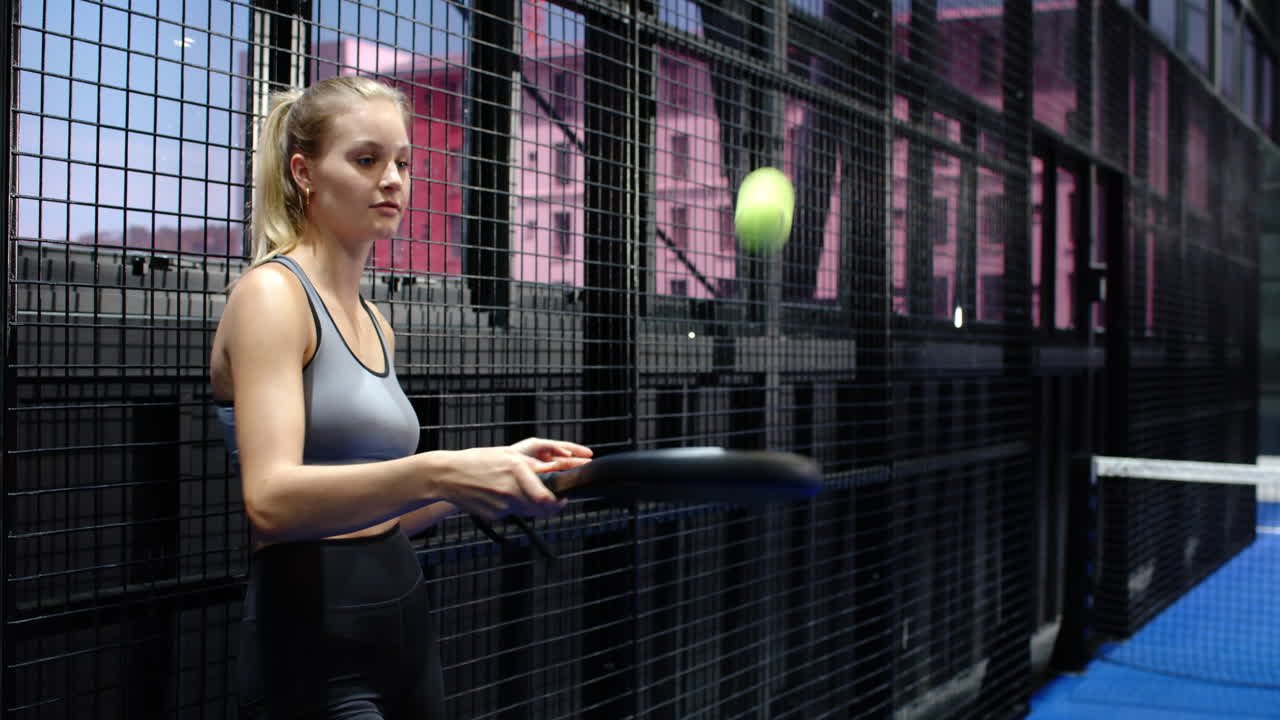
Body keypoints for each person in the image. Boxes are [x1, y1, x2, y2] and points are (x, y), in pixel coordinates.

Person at [209, 75, 592, 719]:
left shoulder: (374, 320)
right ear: (304, 171)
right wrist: (442, 468)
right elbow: (271, 504)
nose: (393, 179)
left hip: (404, 628)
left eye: (403, 162)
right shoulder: (272, 296)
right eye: (366, 159)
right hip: (310, 640)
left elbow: (375, 510)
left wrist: (478, 480)